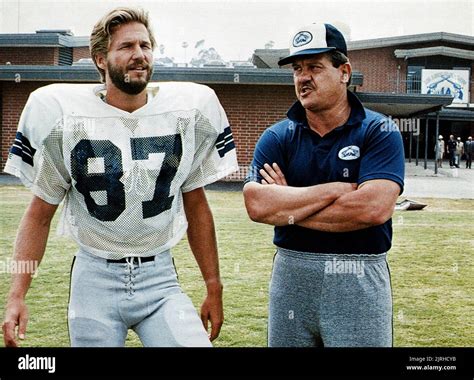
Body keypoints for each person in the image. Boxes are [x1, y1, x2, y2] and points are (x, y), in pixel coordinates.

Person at [2, 7, 238, 347]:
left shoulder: (186, 114)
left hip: (159, 276)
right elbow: (38, 216)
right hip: (94, 278)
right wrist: (16, 295)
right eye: (126, 46)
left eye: (145, 45)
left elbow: (197, 205)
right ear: (100, 59)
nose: (139, 54)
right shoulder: (63, 118)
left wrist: (213, 286)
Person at [243, 23, 404, 347]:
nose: (303, 77)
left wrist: (288, 204)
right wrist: (335, 190)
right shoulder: (277, 136)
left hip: (357, 276)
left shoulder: (380, 130)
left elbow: (373, 209)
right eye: (298, 69)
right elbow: (258, 205)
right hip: (292, 275)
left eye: (315, 67)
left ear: (344, 72)